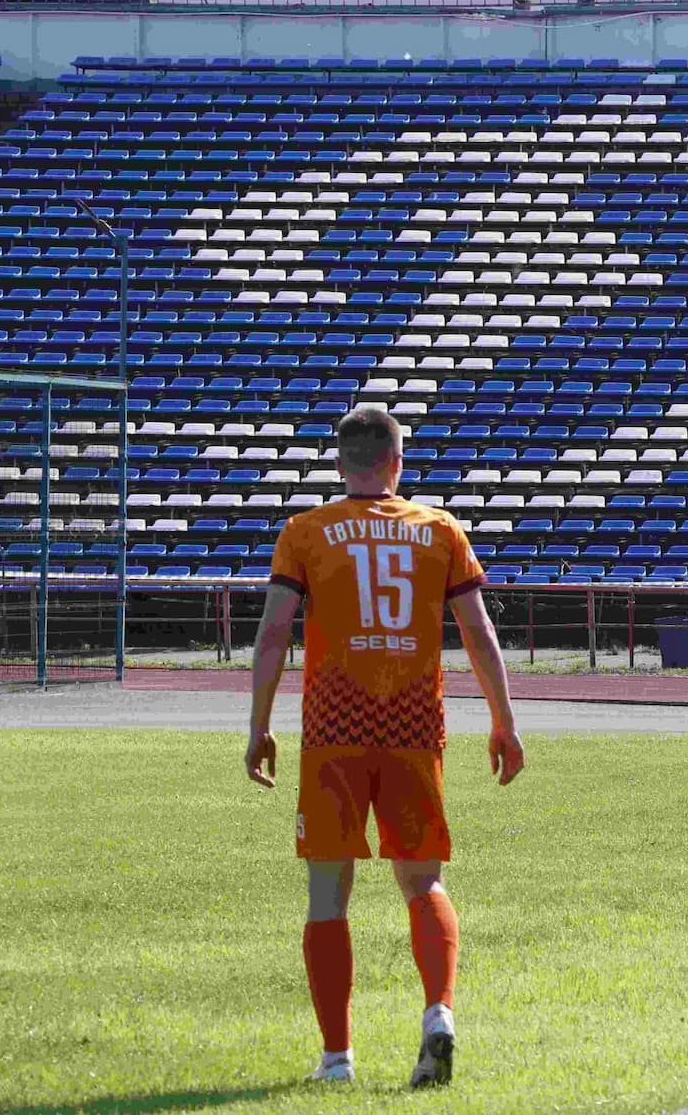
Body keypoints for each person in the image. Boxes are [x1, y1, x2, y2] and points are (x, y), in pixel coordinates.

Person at [245, 405, 525, 1087]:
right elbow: (480, 633)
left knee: (325, 892)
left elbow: (276, 632)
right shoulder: (439, 529)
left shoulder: (305, 532)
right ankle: (438, 1015)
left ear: (339, 464)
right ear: (398, 463)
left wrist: (257, 725)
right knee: (422, 879)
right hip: (412, 729)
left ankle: (336, 1059)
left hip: (335, 733)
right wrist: (504, 721)